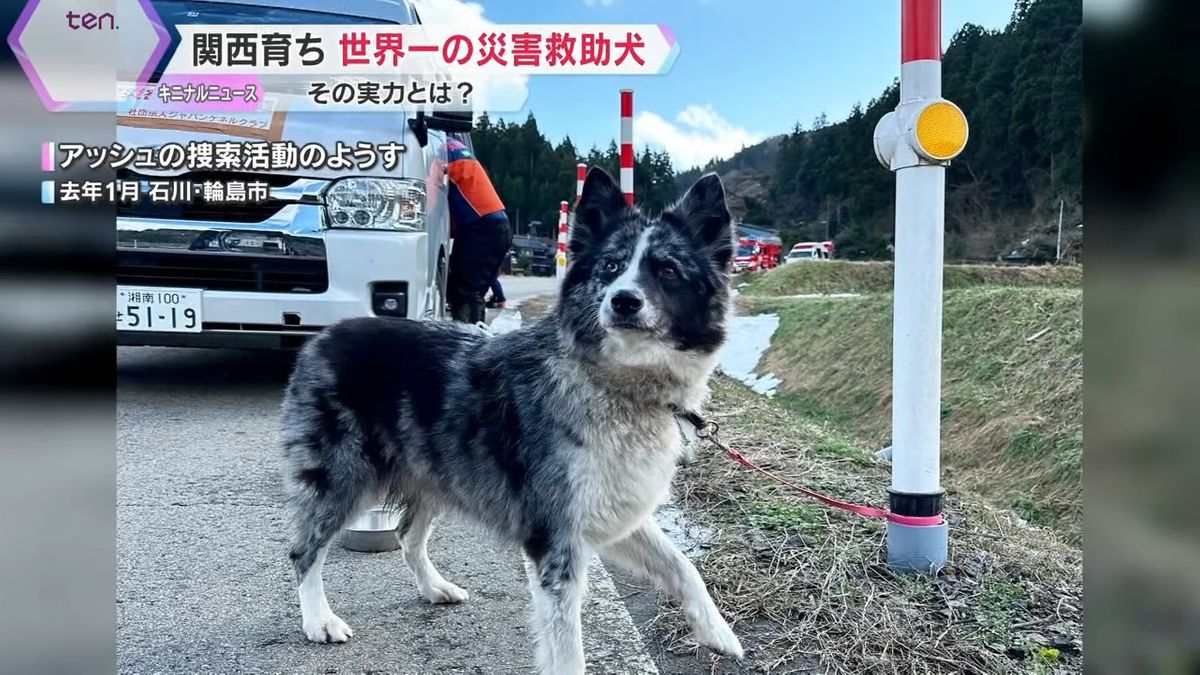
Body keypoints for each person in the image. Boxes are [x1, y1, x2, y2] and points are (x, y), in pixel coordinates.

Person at [443, 133, 512, 324]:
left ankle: (468, 337)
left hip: (482, 227)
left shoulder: (439, 153)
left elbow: (429, 202)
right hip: (493, 225)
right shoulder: (454, 148)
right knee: (463, 289)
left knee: (466, 291)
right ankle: (466, 333)